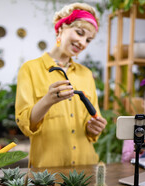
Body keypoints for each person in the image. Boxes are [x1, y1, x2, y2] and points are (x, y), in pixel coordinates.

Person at [15, 3, 107, 168]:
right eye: (79, 33)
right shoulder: (30, 69)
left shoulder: (86, 74)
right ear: (62, 27)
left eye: (88, 40)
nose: (82, 43)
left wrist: (95, 127)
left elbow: (93, 123)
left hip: (85, 168)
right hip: (46, 172)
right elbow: (26, 124)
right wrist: (47, 100)